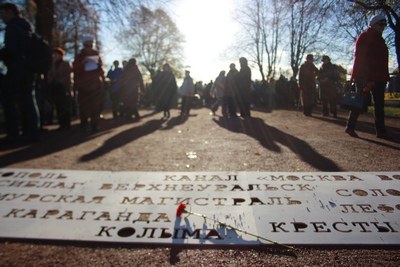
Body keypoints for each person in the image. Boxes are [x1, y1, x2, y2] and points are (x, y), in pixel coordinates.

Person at [0, 2, 40, 142]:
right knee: (29, 99)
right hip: (29, 69)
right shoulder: (27, 27)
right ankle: (32, 131)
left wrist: (2, 53)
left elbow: (11, 50)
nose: (1, 16)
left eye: (3, 12)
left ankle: (13, 132)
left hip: (16, 68)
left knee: (8, 98)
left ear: (10, 12)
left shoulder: (12, 27)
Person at [345, 14, 390, 138]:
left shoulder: (381, 40)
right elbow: (360, 58)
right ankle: (350, 126)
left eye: (384, 25)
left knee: (379, 106)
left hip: (380, 77)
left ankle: (381, 131)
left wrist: (385, 76)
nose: (383, 27)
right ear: (373, 24)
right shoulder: (365, 37)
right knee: (359, 102)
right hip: (365, 77)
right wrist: (364, 78)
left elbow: (382, 61)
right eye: (381, 24)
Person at [72, 35, 105, 133]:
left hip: (95, 85)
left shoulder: (97, 55)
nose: (89, 47)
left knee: (96, 106)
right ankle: (84, 124)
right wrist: (82, 64)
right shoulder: (79, 57)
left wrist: (99, 67)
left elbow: (102, 71)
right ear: (84, 45)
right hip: (83, 86)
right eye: (87, 45)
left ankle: (95, 125)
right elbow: (75, 70)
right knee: (84, 106)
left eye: (91, 44)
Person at [47, 48, 72, 130]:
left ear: (61, 55)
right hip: (55, 88)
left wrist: (60, 81)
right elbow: (49, 75)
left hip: (64, 87)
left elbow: (68, 76)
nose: (54, 56)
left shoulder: (66, 64)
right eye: (53, 54)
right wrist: (51, 81)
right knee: (58, 105)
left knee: (64, 105)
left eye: (56, 54)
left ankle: (66, 123)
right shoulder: (52, 65)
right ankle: (61, 123)